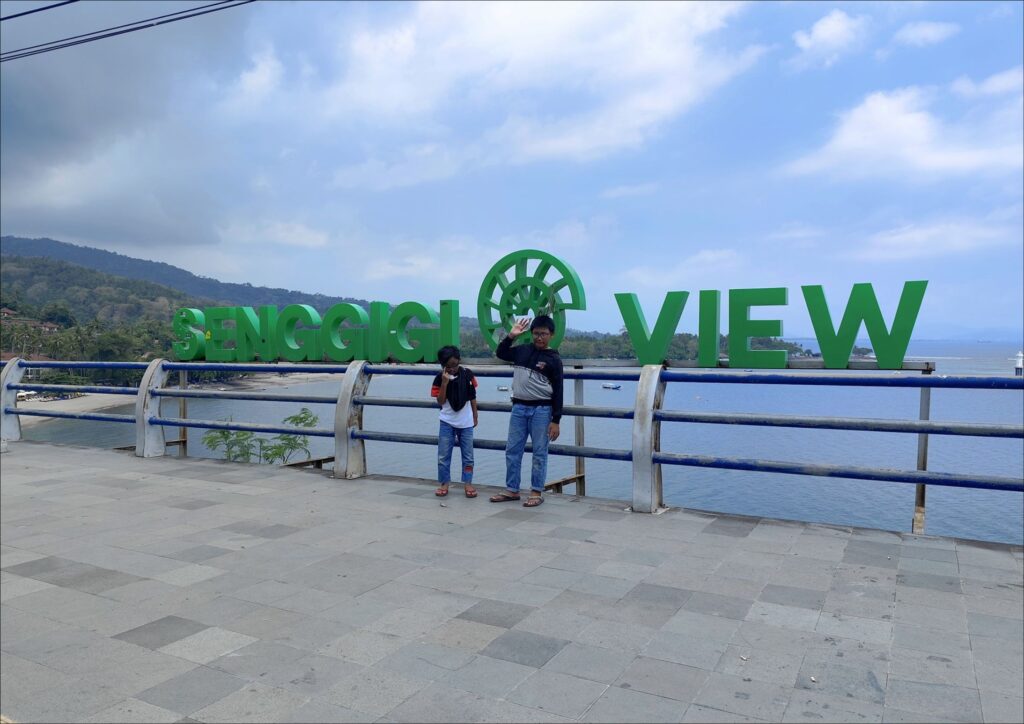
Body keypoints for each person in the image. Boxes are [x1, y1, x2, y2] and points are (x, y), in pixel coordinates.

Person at [491, 315, 562, 507]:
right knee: (512, 449)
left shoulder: (554, 359)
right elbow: (501, 353)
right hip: (519, 408)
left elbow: (558, 391)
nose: (540, 338)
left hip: (542, 410)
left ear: (551, 335)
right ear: (531, 333)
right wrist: (511, 336)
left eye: (544, 334)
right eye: (537, 333)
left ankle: (536, 491)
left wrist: (556, 420)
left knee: (540, 452)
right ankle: (512, 489)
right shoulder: (522, 351)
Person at [431, 345, 479, 498]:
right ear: (442, 364)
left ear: (459, 361)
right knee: (443, 454)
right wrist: (445, 383)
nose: (452, 368)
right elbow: (440, 401)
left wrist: (475, 416)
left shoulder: (467, 374)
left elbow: (472, 397)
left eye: (455, 365)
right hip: (447, 421)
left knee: (468, 455)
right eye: (448, 366)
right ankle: (444, 483)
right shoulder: (439, 378)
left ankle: (468, 483)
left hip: (466, 422)